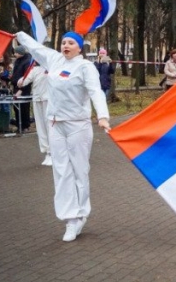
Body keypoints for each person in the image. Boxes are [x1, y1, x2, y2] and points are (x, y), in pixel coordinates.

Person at [16, 30, 111, 242]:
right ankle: (70, 219)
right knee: (61, 171)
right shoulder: (55, 60)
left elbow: (96, 91)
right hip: (56, 124)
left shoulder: (85, 67)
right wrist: (21, 36)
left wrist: (103, 116)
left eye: (70, 43)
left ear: (79, 47)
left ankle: (81, 214)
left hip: (78, 125)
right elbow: (36, 48)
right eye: (63, 42)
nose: (65, 46)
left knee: (79, 170)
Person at [19, 62, 51, 165]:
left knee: (49, 126)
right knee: (41, 127)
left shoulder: (52, 67)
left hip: (49, 100)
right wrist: (21, 81)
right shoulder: (34, 69)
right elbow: (24, 81)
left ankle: (53, 152)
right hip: (37, 99)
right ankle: (47, 152)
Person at [10, 46, 33, 133]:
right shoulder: (17, 61)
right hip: (16, 86)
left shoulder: (27, 62)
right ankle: (19, 125)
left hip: (24, 88)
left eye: (16, 52)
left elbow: (27, 77)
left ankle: (26, 126)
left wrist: (21, 89)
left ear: (20, 53)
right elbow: (16, 73)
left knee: (24, 107)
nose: (14, 54)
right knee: (16, 107)